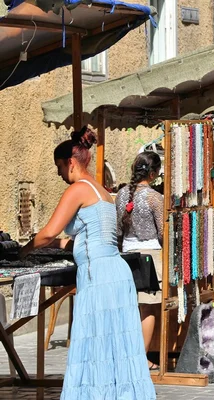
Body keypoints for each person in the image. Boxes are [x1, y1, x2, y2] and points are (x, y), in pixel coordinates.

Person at [19, 128, 155, 399]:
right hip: (115, 272)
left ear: (71, 162)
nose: (59, 174)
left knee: (96, 344)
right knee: (115, 346)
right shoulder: (101, 191)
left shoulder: (78, 189)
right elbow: (82, 239)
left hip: (99, 277)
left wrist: (24, 250)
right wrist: (57, 245)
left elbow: (47, 233)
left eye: (59, 167)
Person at [116, 151, 163, 370]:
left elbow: (118, 229)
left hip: (126, 253)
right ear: (153, 174)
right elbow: (162, 232)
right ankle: (140, 358)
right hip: (149, 255)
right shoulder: (154, 197)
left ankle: (127, 354)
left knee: (129, 308)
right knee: (148, 309)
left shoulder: (121, 195)